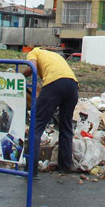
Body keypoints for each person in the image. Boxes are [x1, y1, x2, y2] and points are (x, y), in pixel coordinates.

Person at [22, 47, 79, 176]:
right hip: (72, 86)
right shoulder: (55, 56)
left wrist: (20, 76)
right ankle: (64, 167)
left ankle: (31, 170)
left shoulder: (34, 52)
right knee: (66, 127)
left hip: (54, 84)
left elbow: (32, 68)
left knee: (37, 125)